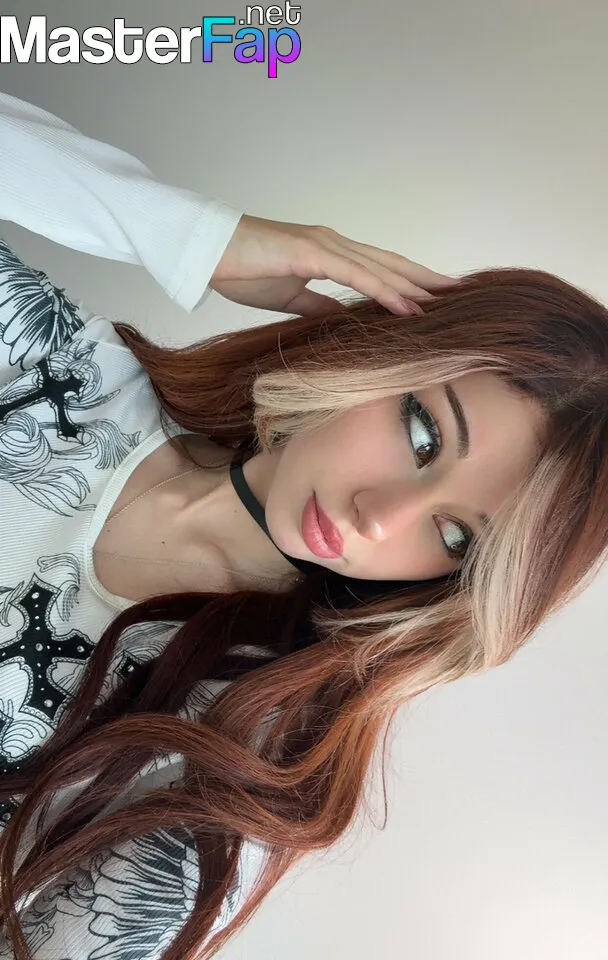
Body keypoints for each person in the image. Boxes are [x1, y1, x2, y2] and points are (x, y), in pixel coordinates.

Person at [0, 91, 606, 960]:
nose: (380, 518)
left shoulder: (239, 753)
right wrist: (201, 239)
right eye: (423, 434)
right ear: (383, 356)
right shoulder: (67, 381)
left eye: (456, 537)